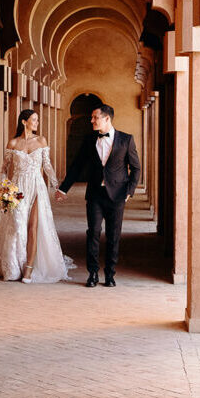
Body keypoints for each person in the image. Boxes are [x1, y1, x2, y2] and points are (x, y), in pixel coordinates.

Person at [56, 104, 140, 288]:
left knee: (113, 235)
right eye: (92, 118)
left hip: (117, 196)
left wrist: (129, 191)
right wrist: (63, 188)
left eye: (95, 117)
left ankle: (110, 274)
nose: (91, 120)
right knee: (93, 233)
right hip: (95, 194)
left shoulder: (126, 140)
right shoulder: (89, 139)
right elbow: (77, 165)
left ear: (107, 118)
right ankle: (92, 273)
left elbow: (136, 168)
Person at [0, 109, 73, 283]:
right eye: (33, 120)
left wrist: (56, 185)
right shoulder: (13, 143)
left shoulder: (41, 140)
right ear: (24, 122)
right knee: (18, 227)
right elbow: (4, 170)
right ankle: (14, 267)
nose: (36, 123)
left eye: (37, 120)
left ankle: (28, 269)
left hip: (37, 187)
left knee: (33, 227)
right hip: (17, 189)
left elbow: (47, 165)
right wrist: (5, 190)